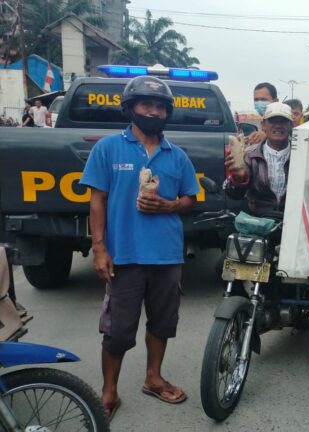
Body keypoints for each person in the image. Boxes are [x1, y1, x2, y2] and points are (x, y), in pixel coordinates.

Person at [80, 76, 200, 420]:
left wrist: (170, 206)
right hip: (125, 256)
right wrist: (100, 248)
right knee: (117, 331)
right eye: (146, 104)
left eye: (160, 106)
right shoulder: (107, 148)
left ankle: (153, 378)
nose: (154, 111)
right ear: (131, 107)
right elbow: (97, 200)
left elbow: (190, 198)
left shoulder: (176, 156)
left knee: (162, 323)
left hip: (166, 255)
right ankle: (109, 392)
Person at [224, 101, 309, 365]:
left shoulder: (306, 153)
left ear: (291, 125)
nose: (278, 126)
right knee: (234, 265)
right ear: (264, 125)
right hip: (260, 222)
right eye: (272, 121)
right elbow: (232, 191)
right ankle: (239, 319)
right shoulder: (248, 154)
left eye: (283, 122)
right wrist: (238, 176)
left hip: (296, 221)